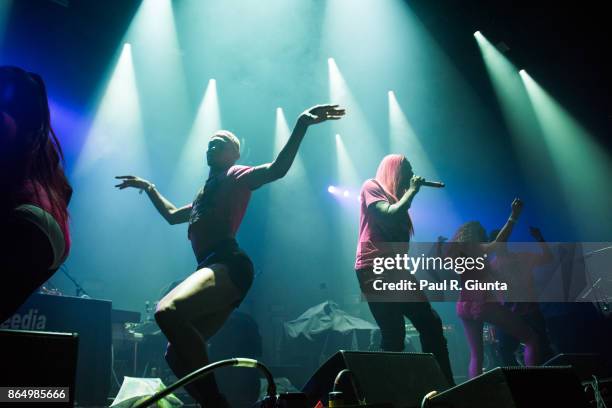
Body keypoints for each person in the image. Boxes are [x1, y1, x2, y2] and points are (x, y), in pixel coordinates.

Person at [115, 104, 345, 407]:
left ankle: (216, 402)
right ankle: (214, 404)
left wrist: (301, 123)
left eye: (220, 142)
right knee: (174, 352)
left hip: (229, 262)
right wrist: (149, 187)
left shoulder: (236, 176)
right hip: (213, 265)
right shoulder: (204, 192)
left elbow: (277, 169)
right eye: (210, 143)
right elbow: (172, 215)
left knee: (166, 311)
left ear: (234, 155)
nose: (212, 145)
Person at [354, 154, 454, 385]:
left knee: (430, 323)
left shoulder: (397, 198)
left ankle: (444, 385)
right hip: (374, 268)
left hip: (396, 270)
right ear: (393, 170)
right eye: (407, 170)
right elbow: (388, 214)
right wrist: (413, 190)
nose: (411, 175)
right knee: (394, 335)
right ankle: (379, 390)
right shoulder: (372, 186)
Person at [0, 66, 72, 323]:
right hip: (53, 229)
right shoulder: (43, 146)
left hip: (29, 221)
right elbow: (67, 190)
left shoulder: (6, 124)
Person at [452, 198, 541, 378]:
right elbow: (497, 243)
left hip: (463, 306)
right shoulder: (475, 248)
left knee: (476, 356)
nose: (485, 235)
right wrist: (513, 217)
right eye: (482, 233)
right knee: (531, 340)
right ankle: (534, 386)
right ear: (476, 235)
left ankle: (477, 397)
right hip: (482, 305)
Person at [489, 226, 554, 366]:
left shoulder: (494, 265)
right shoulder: (497, 265)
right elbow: (549, 258)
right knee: (539, 348)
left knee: (507, 352)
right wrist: (539, 239)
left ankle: (523, 383)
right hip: (520, 313)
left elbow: (548, 258)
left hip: (518, 314)